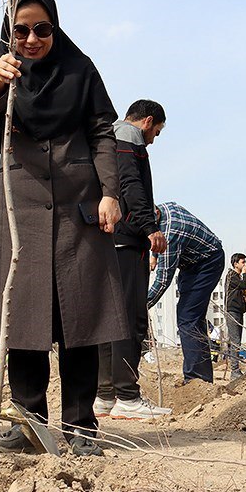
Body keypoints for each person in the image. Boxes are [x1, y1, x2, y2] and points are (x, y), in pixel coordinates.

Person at [0, 0, 130, 457]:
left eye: (43, 29)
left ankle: (81, 426)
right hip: (21, 201)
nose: (32, 38)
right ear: (9, 32)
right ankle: (29, 426)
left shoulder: (81, 70)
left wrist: (110, 192)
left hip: (78, 200)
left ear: (55, 28)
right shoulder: (1, 69)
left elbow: (103, 129)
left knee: (80, 318)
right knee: (22, 319)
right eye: (21, 30)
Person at [96, 99, 169, 421]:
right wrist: (149, 226)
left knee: (106, 318)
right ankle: (127, 395)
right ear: (147, 121)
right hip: (127, 239)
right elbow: (131, 184)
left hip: (104, 238)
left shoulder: (104, 138)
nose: (154, 139)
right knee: (129, 318)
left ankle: (104, 395)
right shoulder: (129, 138)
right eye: (156, 131)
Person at [148, 202, 225, 384]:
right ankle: (203, 377)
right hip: (192, 263)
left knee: (188, 317)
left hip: (207, 263)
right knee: (193, 318)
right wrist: (154, 255)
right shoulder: (164, 209)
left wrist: (142, 305)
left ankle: (196, 379)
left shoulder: (170, 233)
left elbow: (162, 281)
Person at [223, 252, 246, 380]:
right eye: (242, 262)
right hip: (232, 311)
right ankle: (234, 370)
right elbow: (245, 285)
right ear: (235, 264)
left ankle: (235, 368)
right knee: (235, 341)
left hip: (238, 310)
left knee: (236, 341)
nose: (245, 264)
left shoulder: (236, 278)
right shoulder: (231, 276)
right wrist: (245, 273)